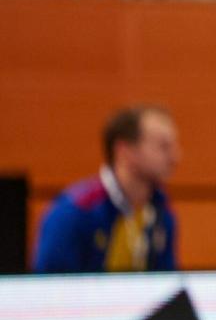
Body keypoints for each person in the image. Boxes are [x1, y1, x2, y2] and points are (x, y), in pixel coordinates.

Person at [33, 105, 181, 274]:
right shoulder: (75, 211)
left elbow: (165, 284)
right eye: (163, 147)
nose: (176, 157)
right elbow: (49, 288)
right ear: (125, 151)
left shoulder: (162, 211)